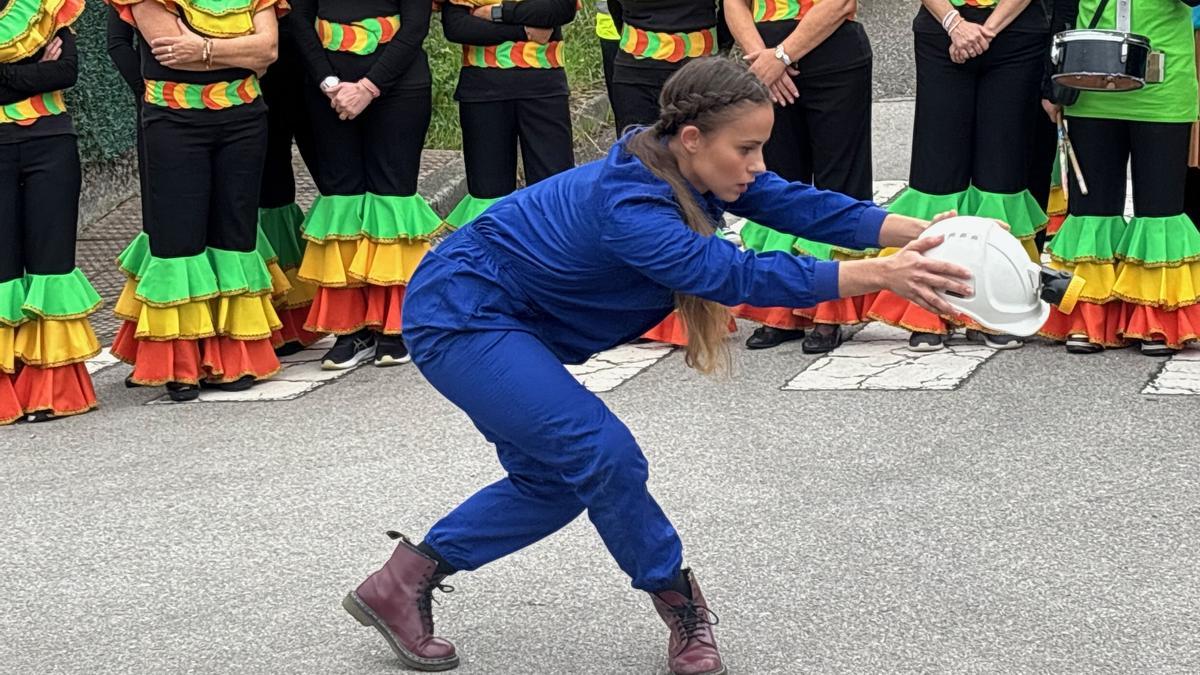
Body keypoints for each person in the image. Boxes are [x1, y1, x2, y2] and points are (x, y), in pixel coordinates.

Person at [339, 58, 974, 675]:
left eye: (761, 150)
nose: (756, 168)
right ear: (692, 138)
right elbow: (729, 273)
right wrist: (879, 274)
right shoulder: (632, 206)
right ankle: (678, 603)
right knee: (603, 454)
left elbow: (796, 203)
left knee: (559, 480)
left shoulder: (682, 166)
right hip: (463, 313)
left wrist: (916, 232)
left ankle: (400, 583)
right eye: (746, 150)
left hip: (514, 316)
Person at [107, 0, 287, 402]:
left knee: (234, 234)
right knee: (179, 236)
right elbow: (168, 48)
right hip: (173, 120)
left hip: (243, 118)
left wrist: (203, 50)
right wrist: (240, 49)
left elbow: (269, 51)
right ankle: (183, 362)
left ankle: (233, 357)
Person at [869, 0, 1050, 352]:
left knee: (1002, 176)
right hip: (942, 32)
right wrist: (955, 24)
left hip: (1016, 33)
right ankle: (928, 307)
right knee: (937, 177)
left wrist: (986, 30)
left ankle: (999, 306)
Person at [288, 0, 443, 370]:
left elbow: (415, 25)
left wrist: (369, 88)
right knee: (342, 202)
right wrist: (328, 82)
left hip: (398, 88)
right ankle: (350, 328)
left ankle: (395, 326)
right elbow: (299, 19)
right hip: (328, 91)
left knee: (391, 199)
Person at [1041, 0, 1200, 355]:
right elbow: (1062, 8)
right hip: (1089, 76)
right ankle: (1090, 315)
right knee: (1091, 208)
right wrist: (1048, 81)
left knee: (1160, 210)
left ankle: (1155, 316)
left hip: (1163, 79)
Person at [724, 0, 877, 353]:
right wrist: (762, 60)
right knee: (776, 184)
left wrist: (781, 57)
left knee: (838, 183)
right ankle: (781, 306)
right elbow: (734, 4)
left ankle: (830, 309)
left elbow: (841, 4)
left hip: (833, 56)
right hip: (764, 65)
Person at [1, 0, 101, 424]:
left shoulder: (44, 4)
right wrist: (30, 73)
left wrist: (7, 78)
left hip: (52, 143)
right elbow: (48, 72)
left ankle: (51, 388)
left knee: (51, 264)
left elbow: (66, 71)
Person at [439, 0, 577, 229]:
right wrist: (523, 30)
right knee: (488, 198)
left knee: (553, 190)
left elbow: (558, 10)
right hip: (483, 93)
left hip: (544, 91)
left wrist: (494, 12)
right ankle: (492, 261)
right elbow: (457, 27)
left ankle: (553, 263)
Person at [258, 14, 321, 356]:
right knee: (271, 191)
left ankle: (362, 309)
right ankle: (288, 314)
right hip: (257, 79)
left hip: (320, 69)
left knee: (336, 188)